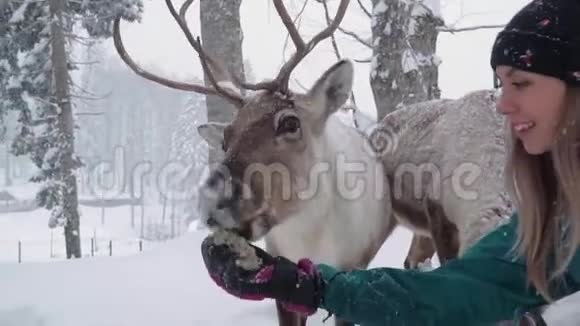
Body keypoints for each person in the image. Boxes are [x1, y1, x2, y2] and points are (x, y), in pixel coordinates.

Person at [200, 0, 580, 324]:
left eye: (522, 83)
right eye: (501, 84)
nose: (502, 104)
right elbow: (461, 289)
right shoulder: (551, 223)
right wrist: (305, 285)